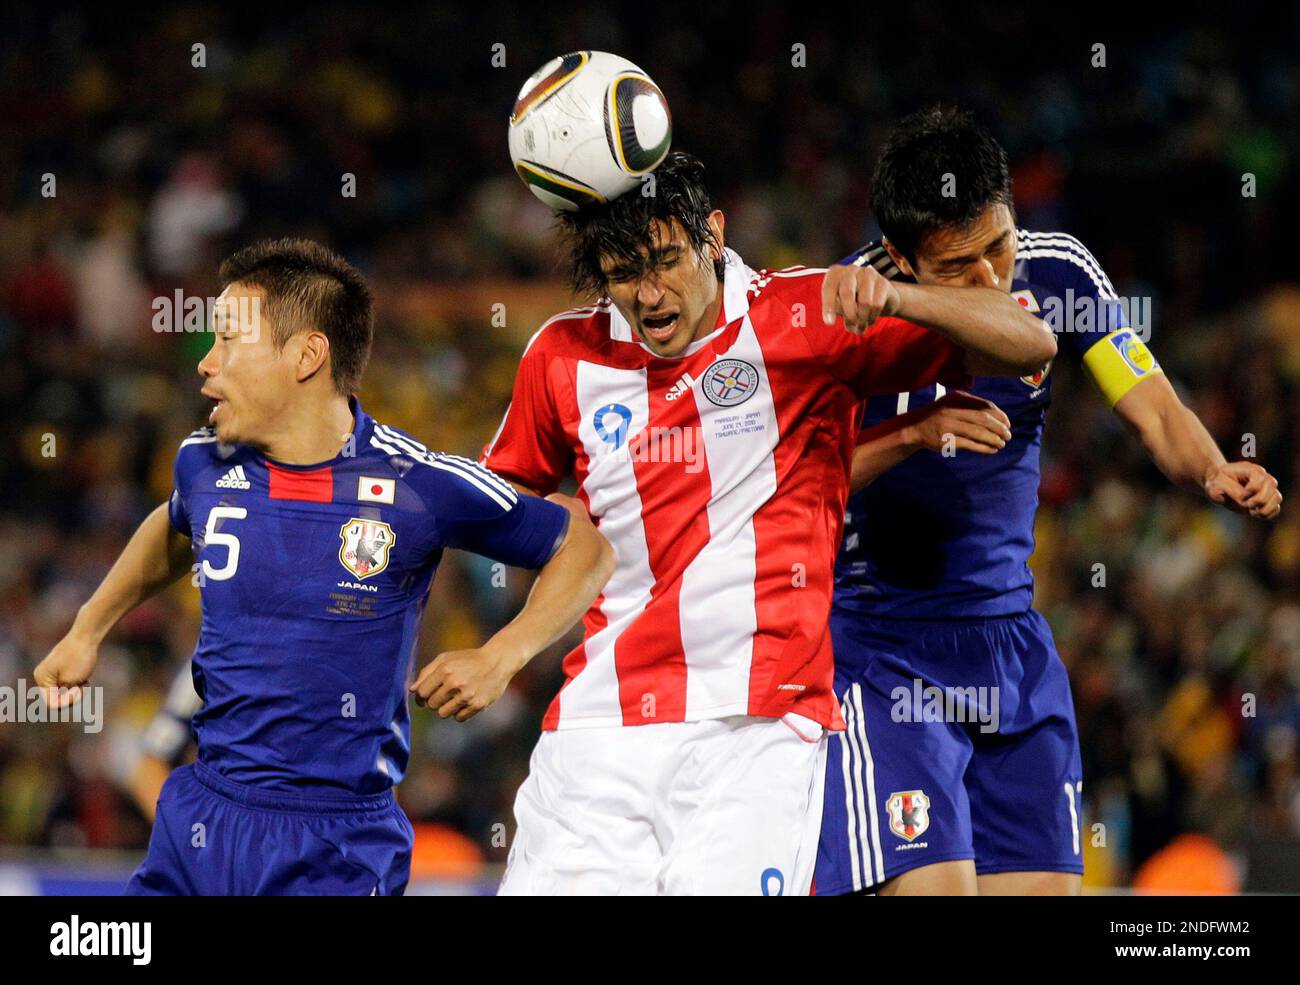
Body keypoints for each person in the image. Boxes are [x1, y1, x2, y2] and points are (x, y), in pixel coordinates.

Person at [481, 151, 1057, 894]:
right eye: (625, 273)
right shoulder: (561, 356)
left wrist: (899, 299)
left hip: (758, 728)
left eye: (667, 260)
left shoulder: (801, 314)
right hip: (597, 729)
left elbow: (1027, 340)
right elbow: (501, 504)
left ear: (713, 235)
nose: (650, 293)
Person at [34, 237, 613, 895]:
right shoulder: (205, 462)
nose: (206, 363)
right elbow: (171, 526)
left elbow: (584, 545)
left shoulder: (415, 485)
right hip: (201, 814)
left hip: (333, 844)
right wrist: (88, 627)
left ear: (306, 355)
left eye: (227, 340)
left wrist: (503, 654)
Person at [815, 107, 1282, 896]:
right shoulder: (845, 314)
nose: (994, 279)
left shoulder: (1058, 269)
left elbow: (1156, 407)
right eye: (959, 265)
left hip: (1013, 651)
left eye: (999, 245)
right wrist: (911, 437)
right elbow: (789, 484)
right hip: (883, 654)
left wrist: (1211, 471)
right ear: (897, 254)